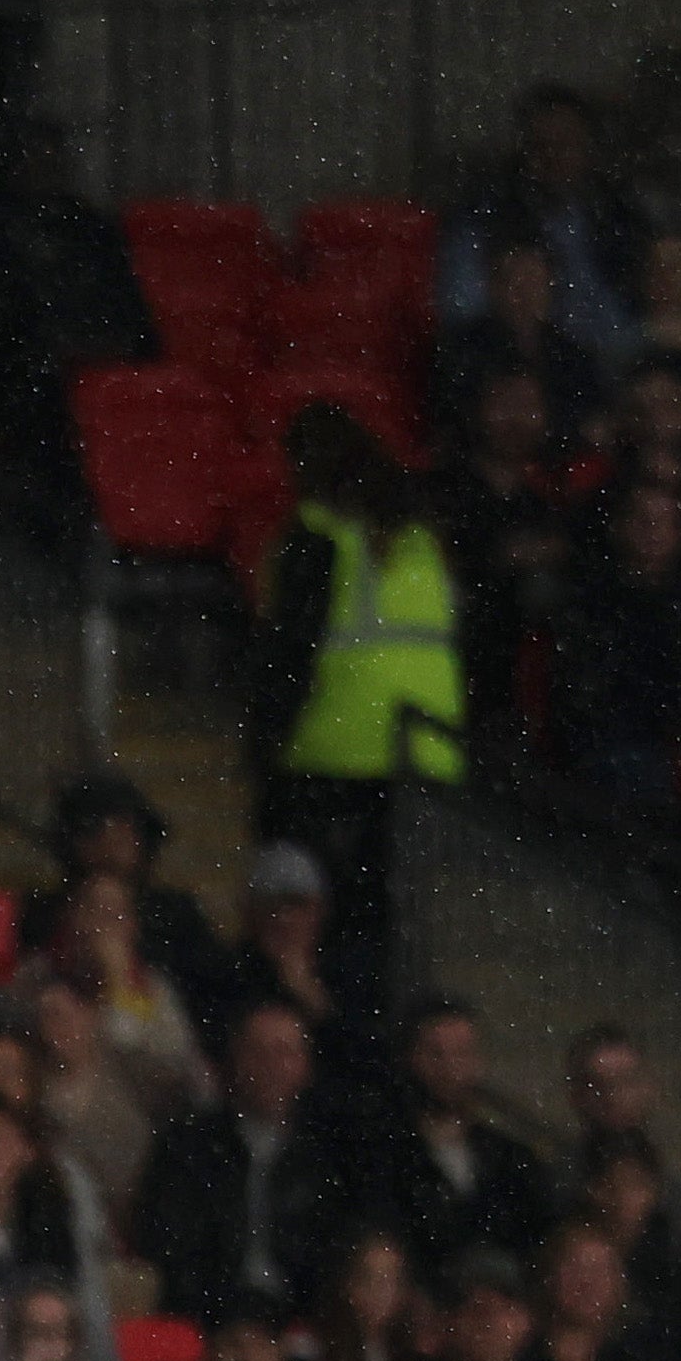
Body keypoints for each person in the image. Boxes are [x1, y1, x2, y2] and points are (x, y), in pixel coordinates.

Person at [247, 406, 460, 1005]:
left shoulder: (315, 537)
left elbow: (288, 656)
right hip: (424, 759)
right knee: (386, 926)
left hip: (331, 757)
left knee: (315, 926)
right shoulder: (424, 541)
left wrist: (263, 750)